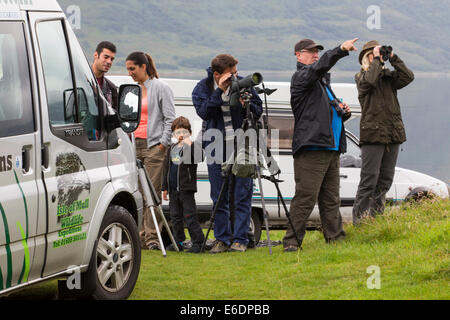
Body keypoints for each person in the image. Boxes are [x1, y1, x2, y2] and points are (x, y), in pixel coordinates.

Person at [282, 38, 357, 252]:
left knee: (331, 198)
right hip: (312, 148)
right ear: (298, 55)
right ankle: (291, 242)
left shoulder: (323, 84)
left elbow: (326, 113)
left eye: (317, 52)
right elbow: (319, 66)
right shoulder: (301, 77)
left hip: (331, 148)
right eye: (311, 52)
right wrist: (341, 50)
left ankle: (335, 239)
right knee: (306, 196)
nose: (315, 55)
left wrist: (343, 112)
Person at [192, 54, 263, 253]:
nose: (234, 77)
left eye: (236, 73)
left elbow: (258, 110)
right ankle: (222, 239)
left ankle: (240, 238)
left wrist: (244, 104)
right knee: (218, 196)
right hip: (216, 146)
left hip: (242, 145)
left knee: (242, 193)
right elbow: (204, 112)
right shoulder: (202, 87)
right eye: (230, 74)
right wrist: (220, 92)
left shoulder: (243, 84)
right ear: (217, 74)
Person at [352, 41, 414, 225]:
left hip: (392, 135)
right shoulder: (361, 77)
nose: (379, 57)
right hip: (373, 136)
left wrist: (394, 58)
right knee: (369, 180)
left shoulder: (389, 78)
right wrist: (378, 60)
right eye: (374, 54)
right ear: (367, 57)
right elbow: (369, 81)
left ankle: (375, 219)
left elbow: (408, 76)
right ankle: (359, 221)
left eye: (380, 54)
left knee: (385, 180)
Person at [126, 51, 176, 250]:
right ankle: (138, 236)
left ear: (143, 67)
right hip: (133, 145)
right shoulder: (132, 90)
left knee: (151, 193)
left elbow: (170, 118)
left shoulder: (161, 87)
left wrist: (162, 144)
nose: (130, 73)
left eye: (133, 69)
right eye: (128, 69)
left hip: (153, 146)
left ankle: (152, 237)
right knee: (136, 193)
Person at [162, 116, 205, 253]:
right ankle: (178, 242)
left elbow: (200, 156)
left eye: (184, 132)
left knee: (189, 216)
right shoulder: (172, 148)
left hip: (187, 189)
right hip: (173, 190)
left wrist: (190, 144)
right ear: (174, 134)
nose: (181, 135)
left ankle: (198, 242)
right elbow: (166, 168)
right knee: (175, 217)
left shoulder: (192, 147)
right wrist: (164, 187)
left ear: (190, 133)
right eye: (178, 132)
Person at [92, 41, 118, 110]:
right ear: (96, 55)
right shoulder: (79, 80)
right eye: (106, 57)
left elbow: (114, 114)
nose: (109, 61)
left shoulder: (111, 88)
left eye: (112, 59)